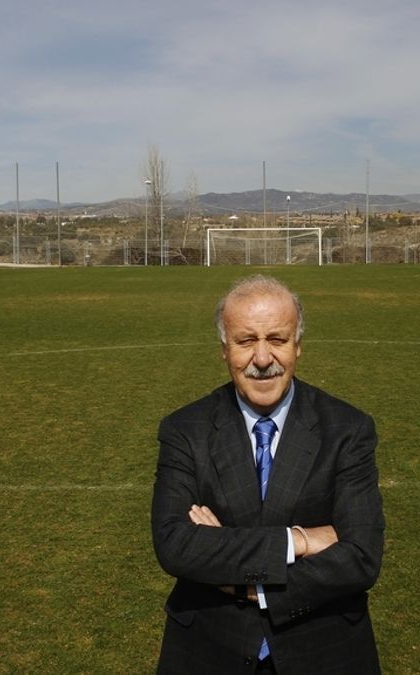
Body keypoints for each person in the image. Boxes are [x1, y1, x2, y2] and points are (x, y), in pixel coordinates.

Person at [151, 275, 385, 674]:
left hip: (324, 651)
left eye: (276, 339)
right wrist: (299, 541)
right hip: (209, 651)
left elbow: (361, 556)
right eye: (246, 341)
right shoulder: (184, 430)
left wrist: (245, 583)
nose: (262, 359)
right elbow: (175, 544)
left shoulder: (347, 429)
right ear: (224, 350)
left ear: (298, 345)